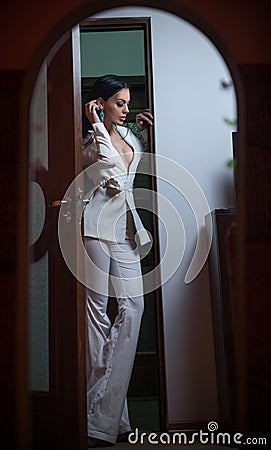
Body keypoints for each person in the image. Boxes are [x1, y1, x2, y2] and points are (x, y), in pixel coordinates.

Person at [82, 74, 153, 447]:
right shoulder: (90, 143)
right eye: (119, 103)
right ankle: (107, 420)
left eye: (127, 103)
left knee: (134, 307)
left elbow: (133, 166)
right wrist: (95, 124)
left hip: (125, 228)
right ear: (100, 103)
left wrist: (146, 136)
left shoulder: (130, 137)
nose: (126, 109)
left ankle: (102, 411)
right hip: (94, 228)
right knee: (97, 315)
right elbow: (109, 170)